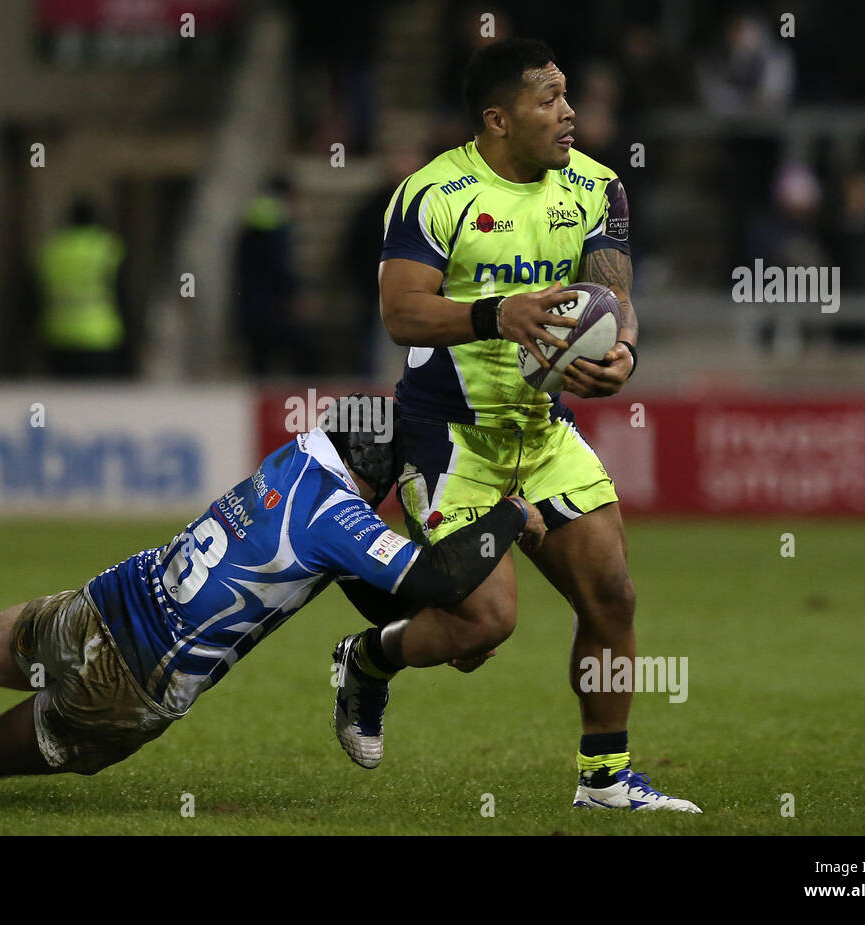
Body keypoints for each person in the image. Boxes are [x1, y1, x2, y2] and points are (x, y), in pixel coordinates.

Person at [0, 397, 545, 803]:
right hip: (133, 686)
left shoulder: (297, 459)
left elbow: (356, 587)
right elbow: (432, 581)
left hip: (106, 600)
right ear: (381, 477)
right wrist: (510, 514)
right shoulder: (345, 519)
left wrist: (382, 630)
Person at [328, 38, 701, 812]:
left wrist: (623, 352)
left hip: (544, 429)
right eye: (548, 99)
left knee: (613, 595)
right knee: (481, 628)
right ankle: (367, 659)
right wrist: (499, 313)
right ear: (498, 119)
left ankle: (604, 777)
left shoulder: (598, 187)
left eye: (567, 95)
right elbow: (400, 312)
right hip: (450, 436)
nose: (569, 112)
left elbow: (613, 296)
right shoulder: (434, 194)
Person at [37, 196, 127, 378]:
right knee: (97, 400)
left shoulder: (52, 249)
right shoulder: (108, 247)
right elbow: (121, 294)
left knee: (64, 400)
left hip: (58, 337)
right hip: (101, 337)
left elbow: (36, 294)